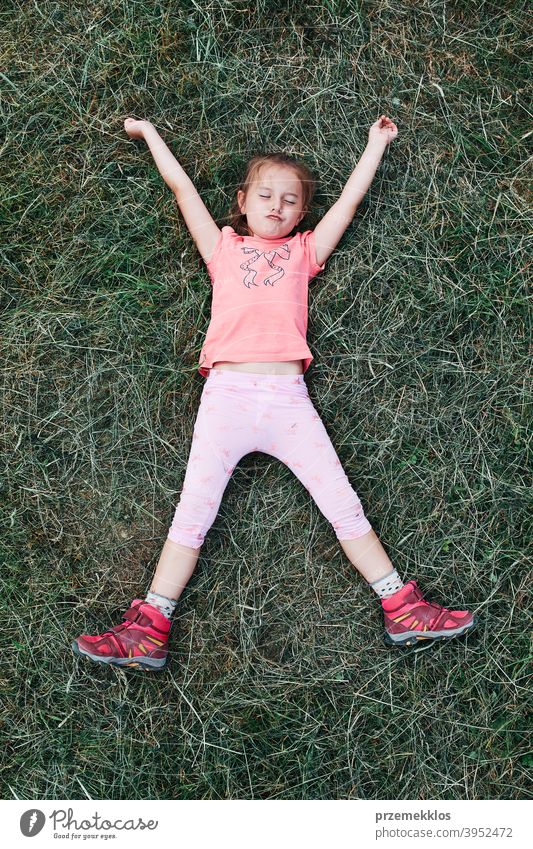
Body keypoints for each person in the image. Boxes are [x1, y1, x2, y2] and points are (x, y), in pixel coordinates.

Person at [71, 115, 476, 671]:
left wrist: (375, 144)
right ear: (242, 201)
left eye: (290, 201)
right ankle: (149, 627)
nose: (277, 207)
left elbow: (350, 204)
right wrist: (150, 135)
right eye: (265, 195)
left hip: (288, 401)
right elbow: (182, 188)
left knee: (344, 504)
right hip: (227, 398)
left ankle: (402, 608)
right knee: (192, 513)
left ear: (302, 214)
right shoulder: (221, 249)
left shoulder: (305, 253)